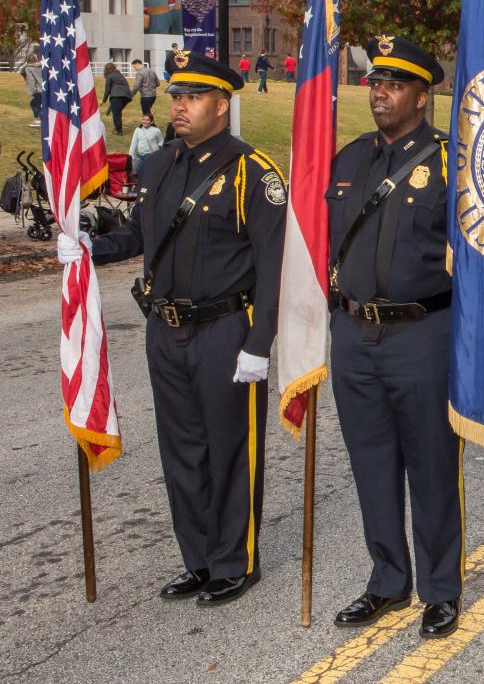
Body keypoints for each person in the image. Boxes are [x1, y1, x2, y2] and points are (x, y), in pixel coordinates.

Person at [59, 50, 284, 606]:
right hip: (166, 329)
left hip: (226, 330)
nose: (178, 106)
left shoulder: (252, 172)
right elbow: (142, 234)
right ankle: (201, 560)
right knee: (181, 450)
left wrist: (260, 344)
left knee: (230, 449)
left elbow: (276, 265)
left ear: (221, 105)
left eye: (192, 98)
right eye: (176, 97)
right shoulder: (158, 165)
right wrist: (89, 247)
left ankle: (237, 560)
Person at [325, 37, 462, 640]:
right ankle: (387, 578)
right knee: (371, 463)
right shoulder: (348, 160)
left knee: (431, 464)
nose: (378, 92)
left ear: (422, 95)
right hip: (355, 334)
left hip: (423, 333)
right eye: (375, 81)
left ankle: (439, 587)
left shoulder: (452, 163)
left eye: (394, 83)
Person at [101, 61, 132, 134]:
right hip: (127, 96)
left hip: (117, 95)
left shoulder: (110, 76)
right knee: (117, 111)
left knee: (116, 114)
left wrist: (103, 100)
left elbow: (107, 89)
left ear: (106, 69)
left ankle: (118, 131)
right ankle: (110, 110)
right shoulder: (120, 75)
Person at [23, 50, 44, 127]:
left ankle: (39, 120)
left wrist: (32, 91)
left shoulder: (28, 69)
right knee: (35, 104)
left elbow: (31, 80)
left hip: (38, 90)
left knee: (36, 105)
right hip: (45, 89)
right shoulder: (42, 66)